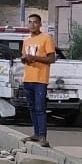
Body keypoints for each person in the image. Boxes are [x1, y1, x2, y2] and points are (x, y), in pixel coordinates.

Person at [21, 13, 57, 147]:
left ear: (40, 24)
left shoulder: (46, 38)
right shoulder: (26, 41)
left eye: (35, 22)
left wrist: (35, 58)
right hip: (28, 78)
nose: (32, 24)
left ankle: (42, 136)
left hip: (40, 79)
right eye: (30, 22)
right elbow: (24, 56)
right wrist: (24, 59)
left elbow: (52, 58)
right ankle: (36, 133)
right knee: (31, 108)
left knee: (40, 108)